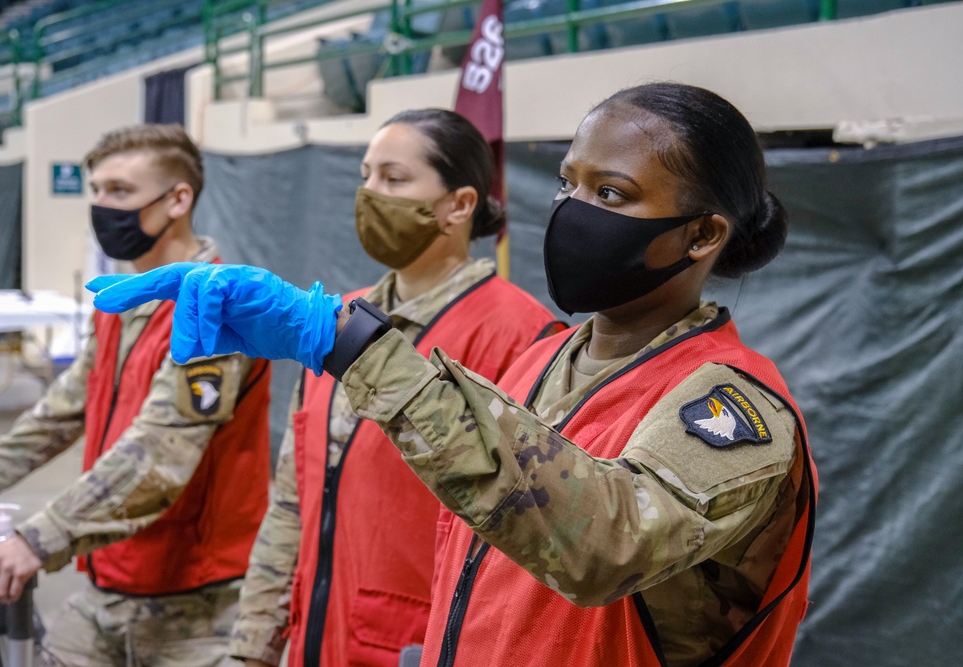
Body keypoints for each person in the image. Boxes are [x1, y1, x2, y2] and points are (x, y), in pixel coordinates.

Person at [89, 83, 817, 667]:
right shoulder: (545, 362)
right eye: (569, 183)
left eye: (612, 194)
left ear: (702, 233)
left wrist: (353, 347)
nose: (572, 209)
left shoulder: (733, 408)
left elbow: (604, 544)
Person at [226, 109, 564, 667]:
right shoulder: (330, 321)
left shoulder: (520, 336)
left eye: (395, 179)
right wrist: (251, 649)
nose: (370, 193)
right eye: (365, 176)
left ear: (459, 205)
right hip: (318, 641)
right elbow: (292, 500)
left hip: (425, 646)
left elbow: (527, 541)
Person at [0, 124, 273, 666]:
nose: (103, 207)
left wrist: (36, 540)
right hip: (108, 583)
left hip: (194, 612)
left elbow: (157, 454)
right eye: (98, 191)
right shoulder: (125, 298)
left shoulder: (215, 306)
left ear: (179, 199)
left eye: (121, 192)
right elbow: (66, 408)